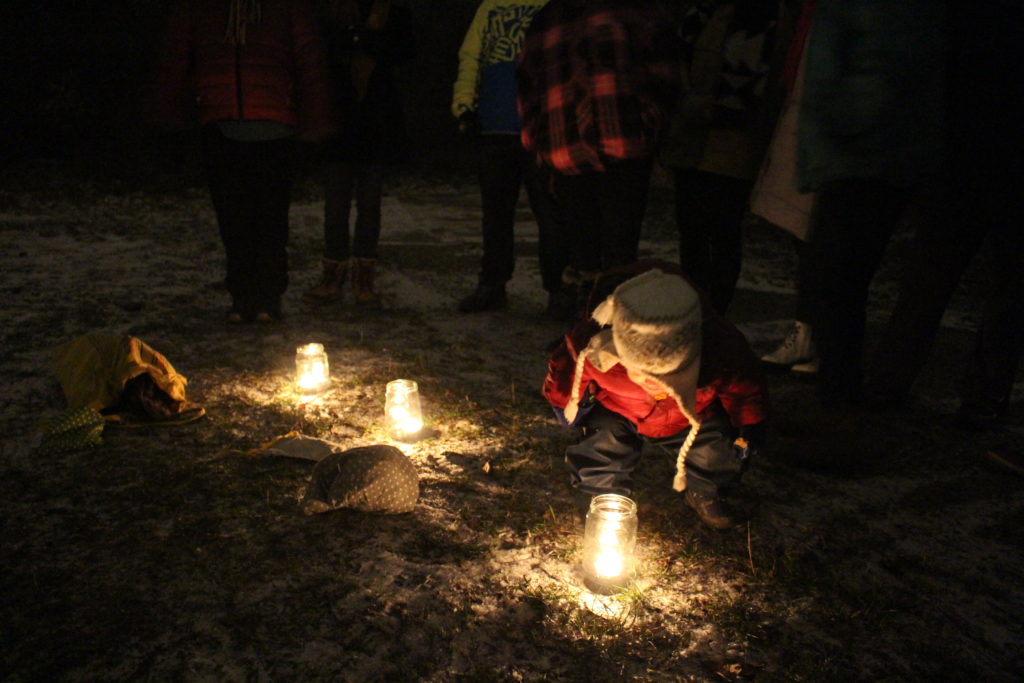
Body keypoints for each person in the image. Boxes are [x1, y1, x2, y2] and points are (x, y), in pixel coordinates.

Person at [865, 2, 1023, 432]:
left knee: (930, 279)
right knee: (1004, 290)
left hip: (962, 156)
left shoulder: (972, 18)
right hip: (990, 159)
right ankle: (983, 397)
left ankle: (889, 381)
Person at [795, 0, 944, 407]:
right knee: (845, 279)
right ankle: (841, 389)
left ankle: (838, 394)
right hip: (883, 155)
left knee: (834, 279)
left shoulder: (864, 13)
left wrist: (819, 154)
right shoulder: (920, 15)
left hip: (857, 153)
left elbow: (827, 79)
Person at [542, 265, 768, 529]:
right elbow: (566, 369)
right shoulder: (594, 346)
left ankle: (708, 490)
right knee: (602, 444)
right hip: (618, 409)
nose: (653, 387)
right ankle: (602, 496)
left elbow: (745, 387)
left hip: (689, 414)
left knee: (714, 447)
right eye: (642, 375)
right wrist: (565, 403)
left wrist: (750, 424)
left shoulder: (719, 349)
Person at [151, 0, 334, 323]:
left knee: (263, 218)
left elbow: (309, 61)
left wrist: (315, 119)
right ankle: (248, 296)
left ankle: (263, 297)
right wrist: (171, 113)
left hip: (268, 122)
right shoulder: (204, 8)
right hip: (225, 120)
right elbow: (176, 57)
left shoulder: (281, 7)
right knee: (239, 218)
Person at [517, 0, 679, 301]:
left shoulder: (633, 11)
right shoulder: (550, 18)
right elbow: (528, 86)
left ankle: (610, 318)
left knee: (611, 251)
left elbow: (665, 75)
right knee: (589, 251)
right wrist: (540, 139)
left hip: (614, 145)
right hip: (578, 149)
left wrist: (649, 123)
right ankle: (592, 318)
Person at [660, 0, 798, 316]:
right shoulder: (705, 11)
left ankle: (713, 314)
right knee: (694, 231)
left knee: (720, 231)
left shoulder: (764, 15)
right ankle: (697, 312)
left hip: (732, 143)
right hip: (694, 142)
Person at [452, 0, 572, 319]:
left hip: (542, 129)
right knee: (496, 213)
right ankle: (493, 283)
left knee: (550, 213)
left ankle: (559, 288)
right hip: (495, 126)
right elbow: (471, 56)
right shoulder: (492, 6)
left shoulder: (553, 6)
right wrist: (465, 105)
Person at [302, 0, 416, 308]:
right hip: (340, 119)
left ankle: (363, 278)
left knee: (369, 203)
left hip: (375, 122)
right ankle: (333, 275)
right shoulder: (332, 12)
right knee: (336, 204)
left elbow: (404, 52)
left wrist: (368, 35)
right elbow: (324, 53)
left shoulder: (392, 11)